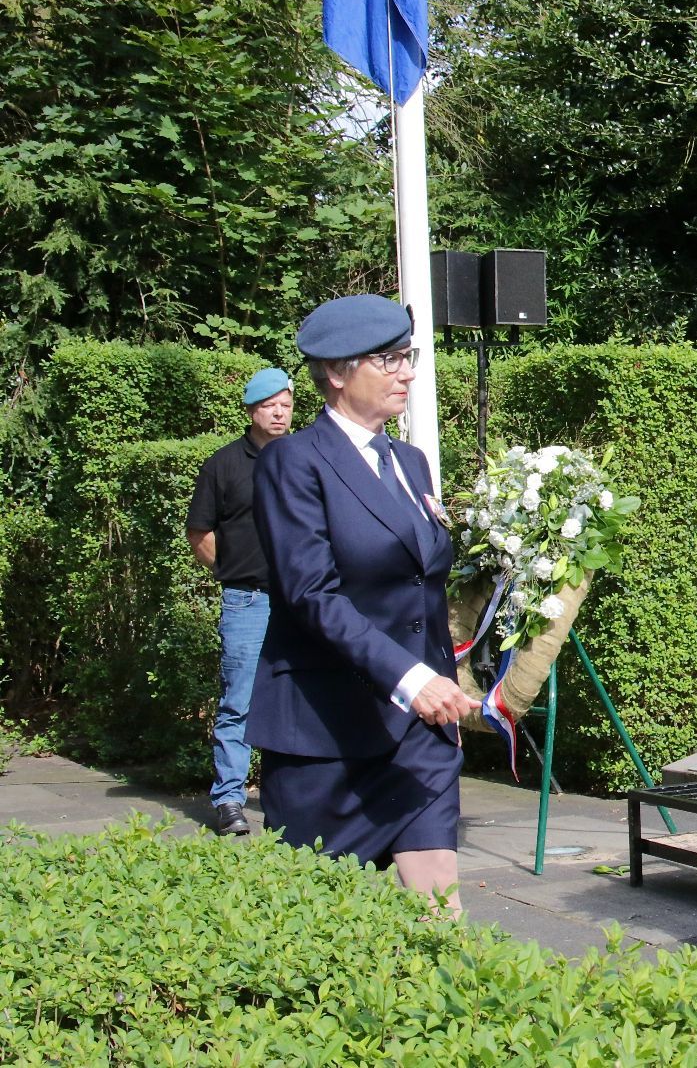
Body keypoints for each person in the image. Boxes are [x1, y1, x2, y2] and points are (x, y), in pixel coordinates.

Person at [247, 294, 480, 908]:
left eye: (409, 355)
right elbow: (310, 595)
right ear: (337, 372)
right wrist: (409, 678)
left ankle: (456, 998)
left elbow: (418, 582)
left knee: (437, 907)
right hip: (328, 729)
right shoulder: (293, 463)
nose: (408, 371)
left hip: (420, 730)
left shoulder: (412, 462)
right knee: (317, 915)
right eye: (390, 359)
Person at [185, 367, 295, 836]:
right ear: (252, 410)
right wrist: (231, 574)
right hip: (248, 603)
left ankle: (287, 799)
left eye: (286, 405)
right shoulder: (224, 464)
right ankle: (230, 800)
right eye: (270, 405)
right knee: (240, 704)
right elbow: (200, 532)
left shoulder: (303, 458)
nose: (279, 413)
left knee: (294, 702)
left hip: (301, 604)